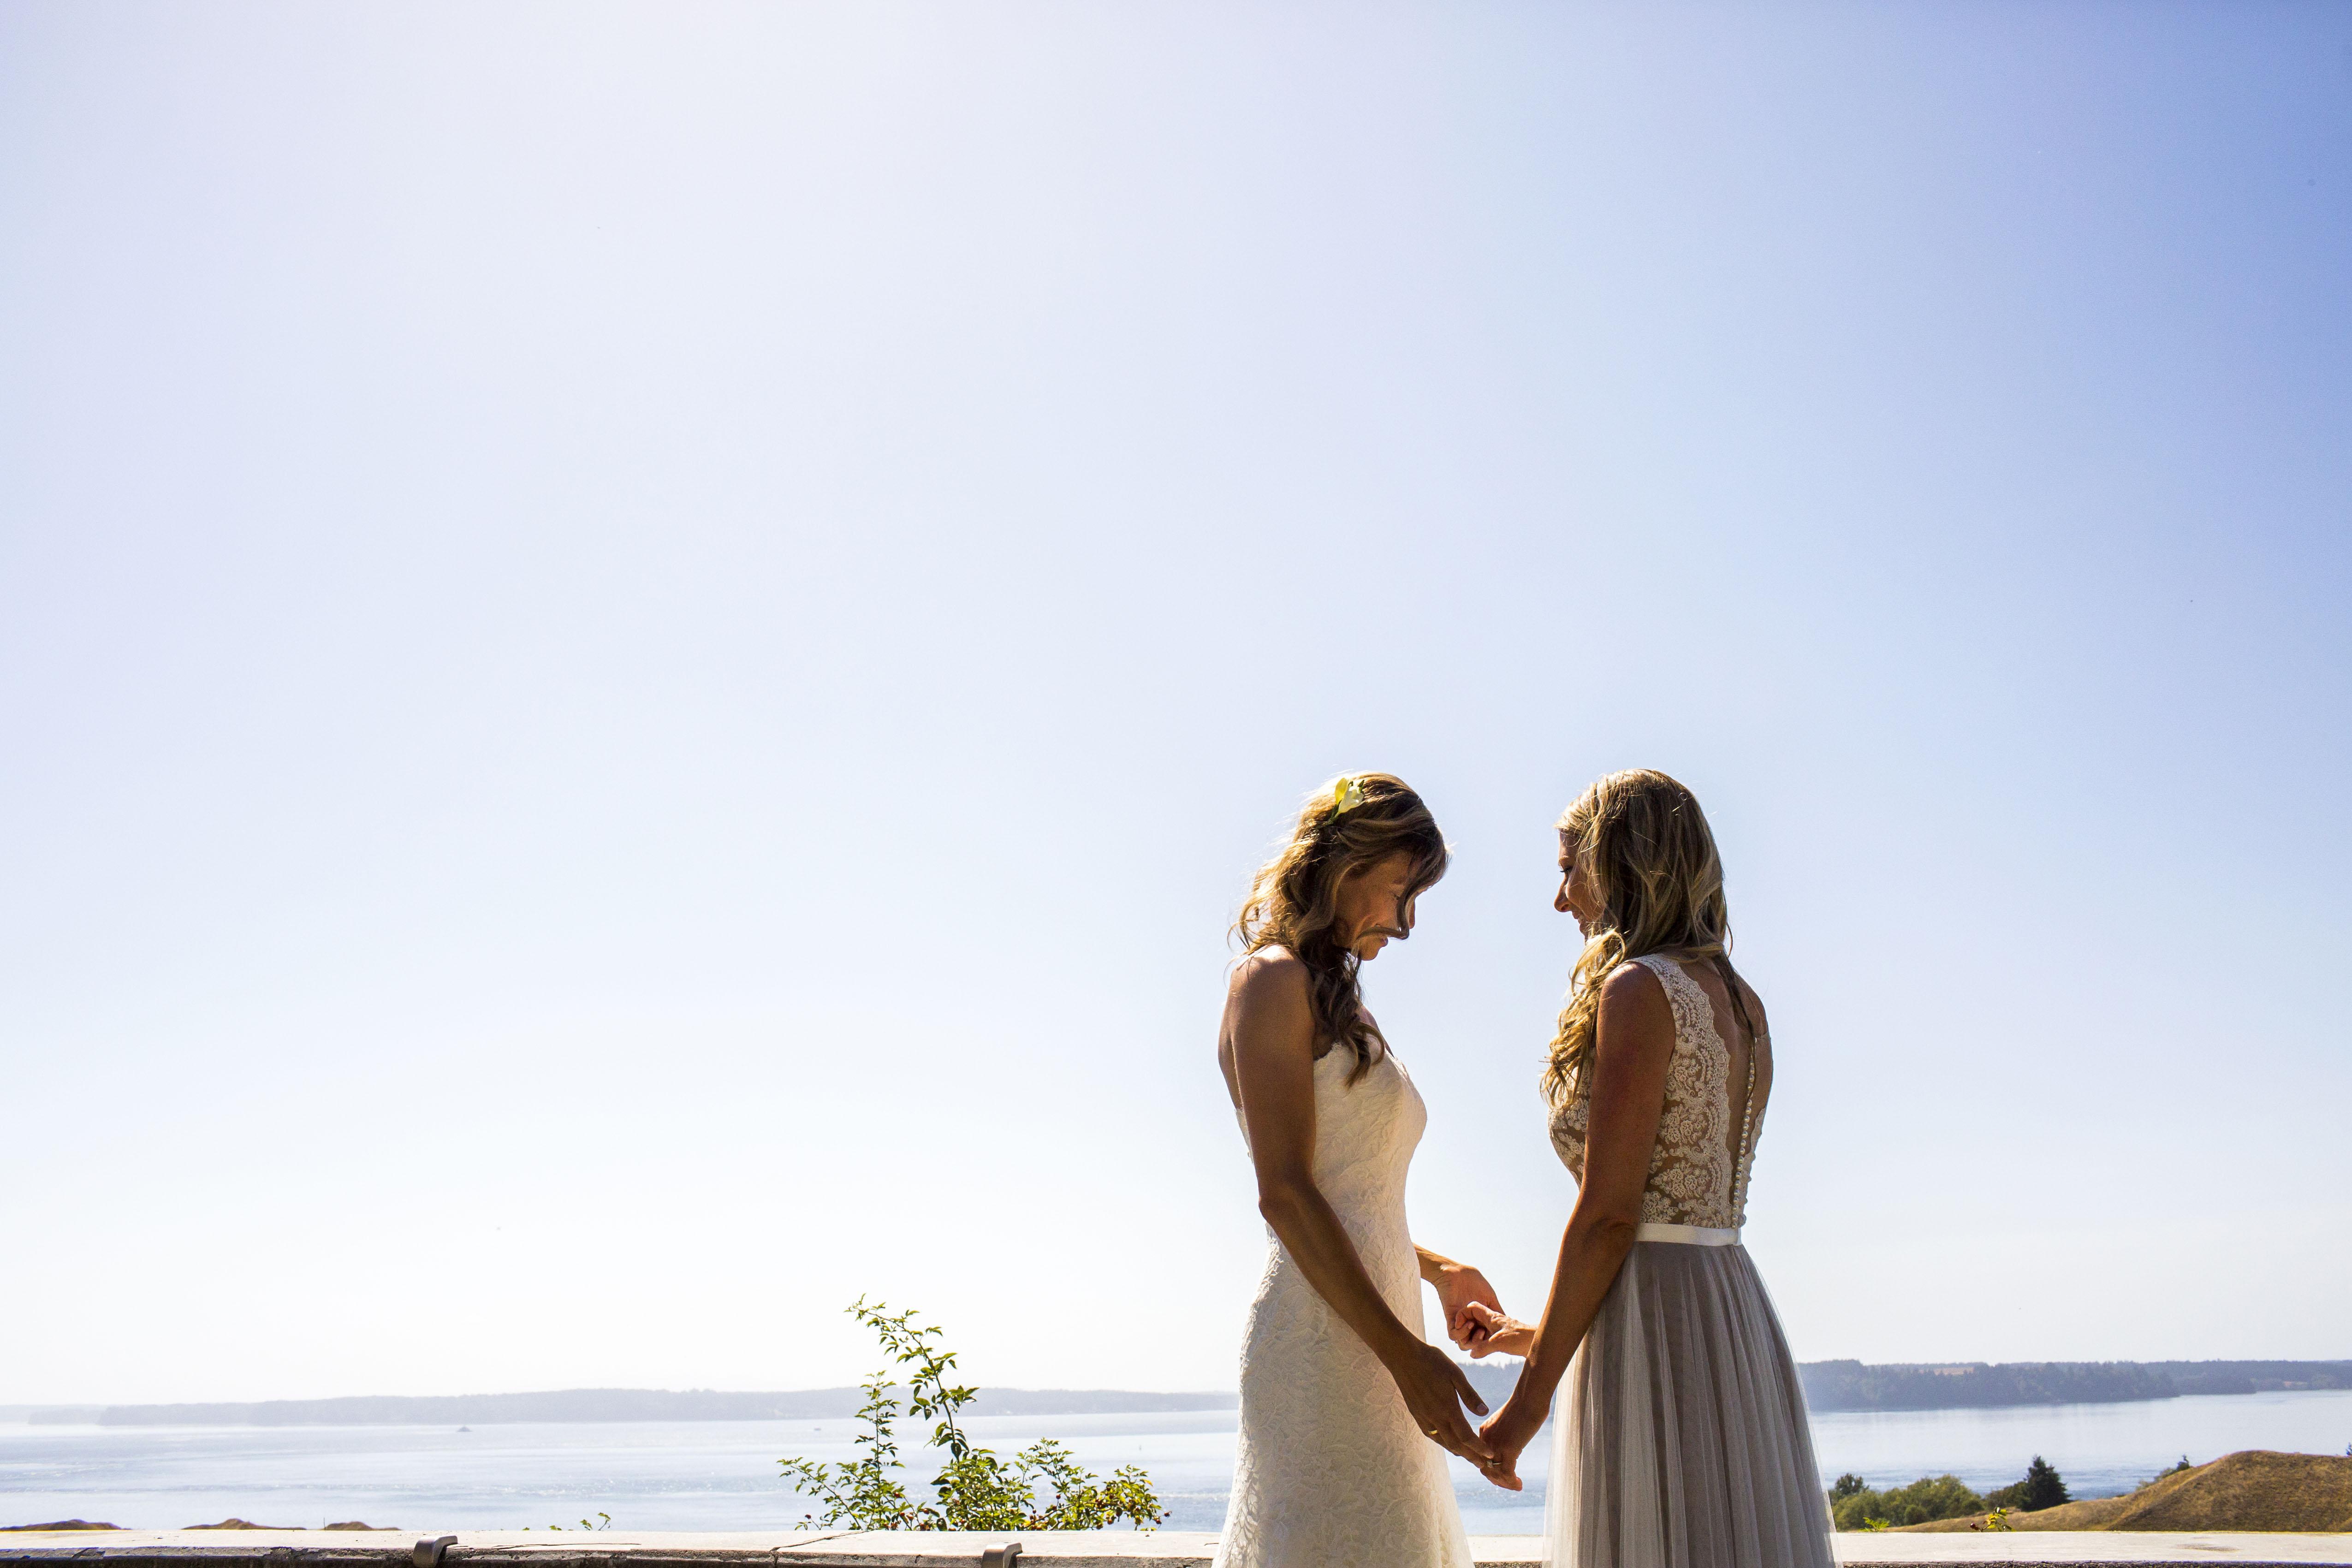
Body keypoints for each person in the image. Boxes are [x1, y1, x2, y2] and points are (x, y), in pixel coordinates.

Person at [1462, 770, 1834, 1568]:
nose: (1561, 899)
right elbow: (1680, 1215)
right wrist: (1530, 1338)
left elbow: (1612, 1217)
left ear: (1622, 862)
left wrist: (1524, 1411)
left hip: (1655, 1335)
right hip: (1727, 1317)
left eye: (1569, 868)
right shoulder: (1744, 1003)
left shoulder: (1639, 990)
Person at [1212, 773, 1502, 1568]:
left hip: (1387, 1338)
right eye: (1402, 890)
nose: (1407, 924)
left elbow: (1352, 1201)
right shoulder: (1271, 982)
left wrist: (1440, 1272)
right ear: (1347, 864)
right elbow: (1287, 1196)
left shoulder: (1338, 1000)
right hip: (1325, 1344)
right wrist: (1408, 1362)